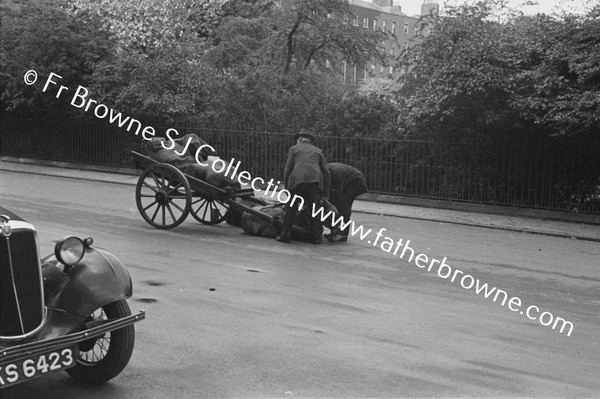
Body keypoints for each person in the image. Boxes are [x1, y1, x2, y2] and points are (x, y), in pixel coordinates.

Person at [277, 129, 331, 244]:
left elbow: (288, 169)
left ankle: (286, 235)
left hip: (297, 181)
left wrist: (287, 187)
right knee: (314, 210)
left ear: (300, 139)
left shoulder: (294, 149)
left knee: (291, 208)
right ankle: (316, 237)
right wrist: (326, 193)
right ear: (310, 140)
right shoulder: (318, 151)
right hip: (314, 182)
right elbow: (326, 172)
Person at [325, 162, 368, 243]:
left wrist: (332, 206)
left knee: (344, 203)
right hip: (350, 183)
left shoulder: (336, 172)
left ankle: (343, 233)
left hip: (357, 183)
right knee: (339, 203)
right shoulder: (328, 171)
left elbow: (338, 192)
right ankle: (338, 231)